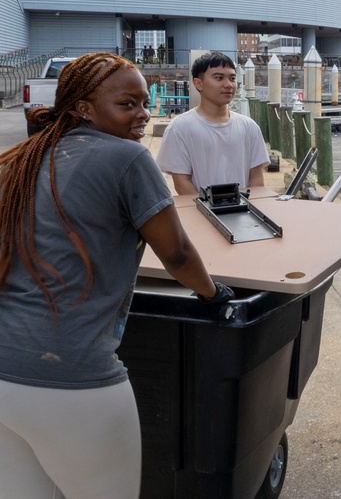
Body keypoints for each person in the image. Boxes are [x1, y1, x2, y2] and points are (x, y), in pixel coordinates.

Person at [0, 52, 233, 499]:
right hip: (72, 377)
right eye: (127, 104)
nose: (143, 114)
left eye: (145, 103)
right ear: (84, 109)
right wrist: (211, 293)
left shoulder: (24, 159)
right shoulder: (127, 159)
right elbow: (178, 253)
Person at [156, 51, 269, 195]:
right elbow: (182, 182)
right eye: (219, 78)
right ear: (198, 83)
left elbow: (257, 180)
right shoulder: (180, 127)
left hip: (243, 211)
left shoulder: (249, 127)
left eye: (232, 78)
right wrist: (207, 210)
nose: (228, 85)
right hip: (200, 213)